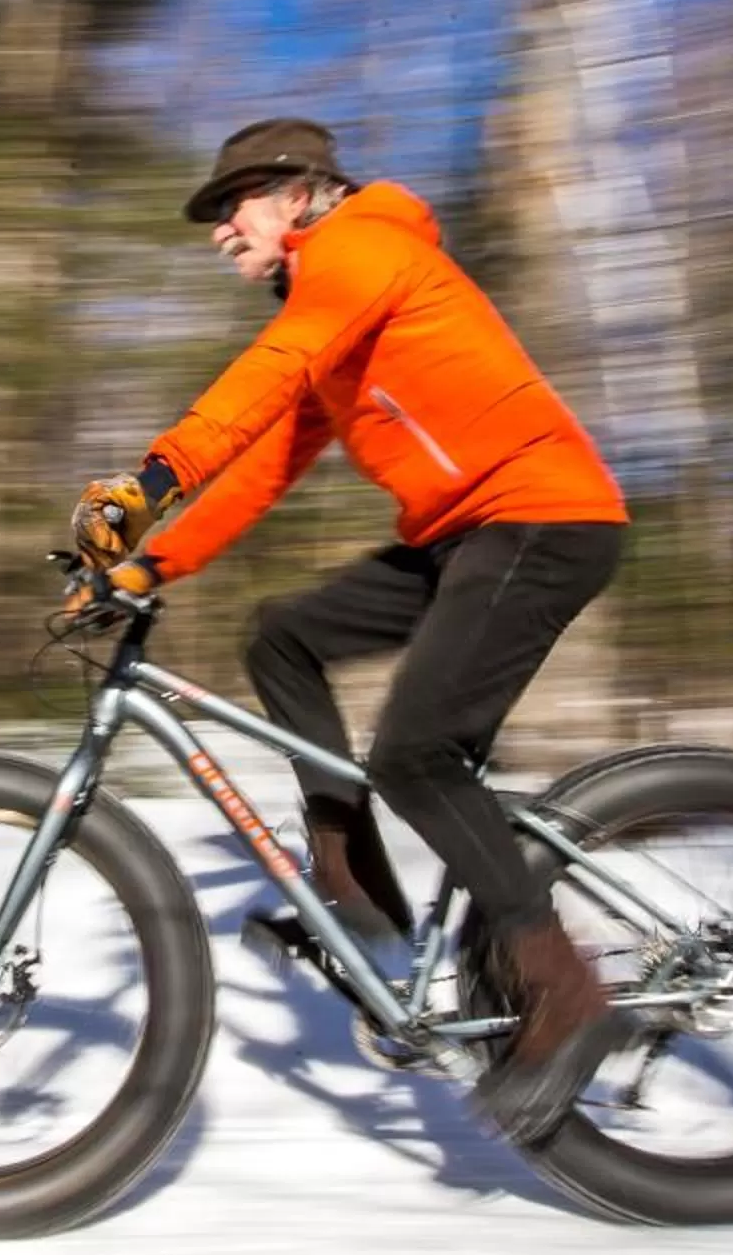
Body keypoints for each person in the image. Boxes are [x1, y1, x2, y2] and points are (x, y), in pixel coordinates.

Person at [71, 117, 631, 1145]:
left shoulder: (365, 248)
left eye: (231, 206)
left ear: (295, 193)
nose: (217, 232)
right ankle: (358, 890)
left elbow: (264, 376)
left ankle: (566, 994)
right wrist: (153, 561)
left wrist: (144, 485)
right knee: (282, 634)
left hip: (541, 519)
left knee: (416, 755)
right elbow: (264, 461)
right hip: (466, 534)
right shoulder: (333, 312)